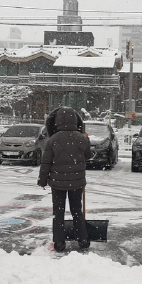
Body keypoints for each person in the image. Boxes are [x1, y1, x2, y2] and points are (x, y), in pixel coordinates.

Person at [38, 106, 92, 252]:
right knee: (76, 210)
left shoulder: (52, 140)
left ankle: (60, 243)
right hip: (77, 183)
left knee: (58, 213)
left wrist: (42, 180)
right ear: (75, 120)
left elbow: (46, 162)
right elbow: (89, 156)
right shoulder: (81, 138)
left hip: (57, 184)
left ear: (57, 121)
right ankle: (83, 239)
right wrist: (87, 141)